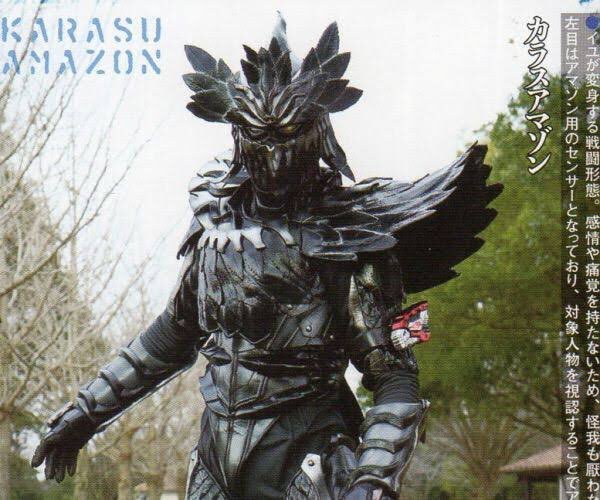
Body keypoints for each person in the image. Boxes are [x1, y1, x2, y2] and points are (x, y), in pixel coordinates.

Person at [32, 15, 502, 500]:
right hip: (213, 462)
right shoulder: (214, 228)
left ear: (316, 134)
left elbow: (395, 376)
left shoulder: (347, 240)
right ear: (239, 135)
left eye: (289, 136)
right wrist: (85, 412)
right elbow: (171, 335)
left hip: (307, 458)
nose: (275, 159)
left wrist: (373, 479)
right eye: (261, 138)